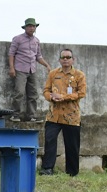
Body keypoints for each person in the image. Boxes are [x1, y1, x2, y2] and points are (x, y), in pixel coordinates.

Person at [41, 48, 87, 176]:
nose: (65, 59)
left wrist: (64, 97)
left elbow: (81, 93)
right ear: (60, 60)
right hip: (53, 115)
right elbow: (45, 90)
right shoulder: (53, 74)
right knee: (49, 141)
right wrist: (51, 97)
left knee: (72, 144)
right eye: (63, 57)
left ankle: (72, 172)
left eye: (68, 57)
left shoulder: (79, 75)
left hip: (71, 116)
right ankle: (47, 168)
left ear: (73, 59)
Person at [8, 18, 52, 122]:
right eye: (30, 26)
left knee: (33, 94)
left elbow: (38, 56)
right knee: (19, 92)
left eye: (33, 26)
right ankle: (15, 114)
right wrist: (11, 68)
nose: (32, 28)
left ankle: (31, 115)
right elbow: (11, 53)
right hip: (20, 69)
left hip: (32, 69)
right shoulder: (17, 39)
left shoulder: (36, 41)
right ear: (25, 27)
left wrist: (46, 65)